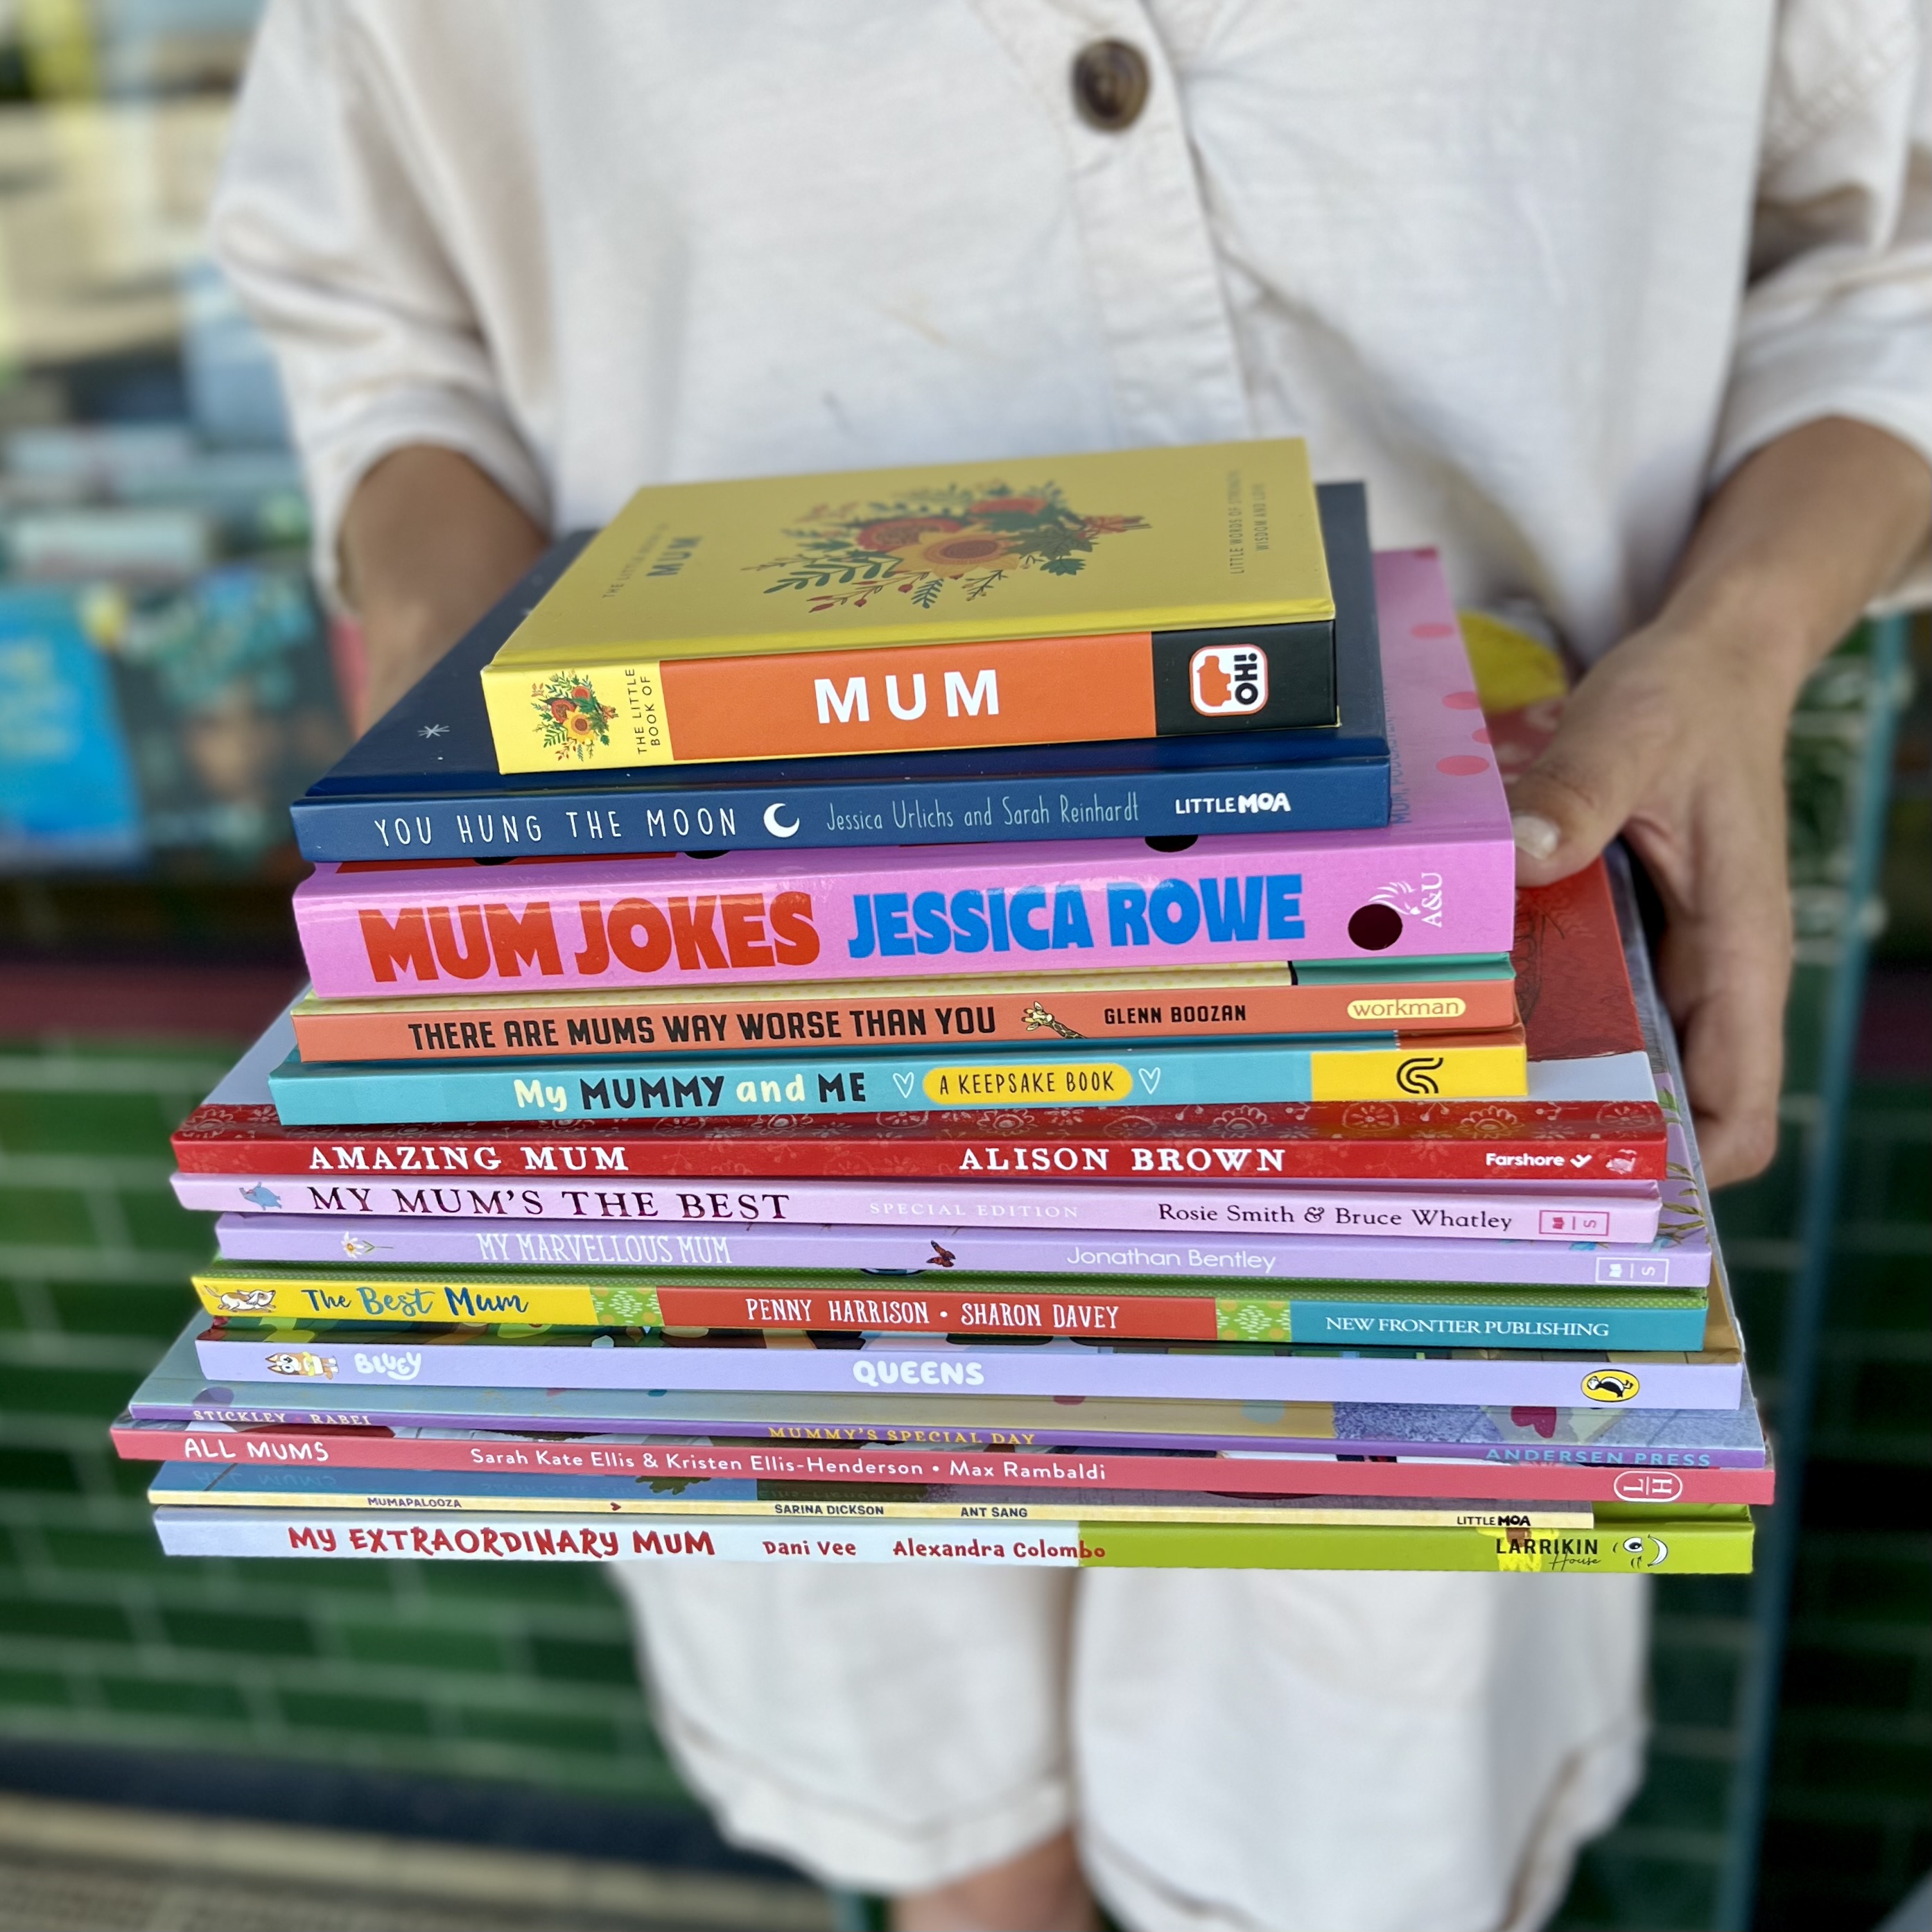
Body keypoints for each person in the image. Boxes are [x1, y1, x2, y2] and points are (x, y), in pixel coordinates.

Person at [209, 6, 1931, 1927]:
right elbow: (384, 332)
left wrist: (1738, 636)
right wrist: (471, 760)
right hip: (722, 1040)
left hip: (1437, 1031)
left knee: (1353, 1829)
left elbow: (1891, 266)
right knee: (957, 1830)